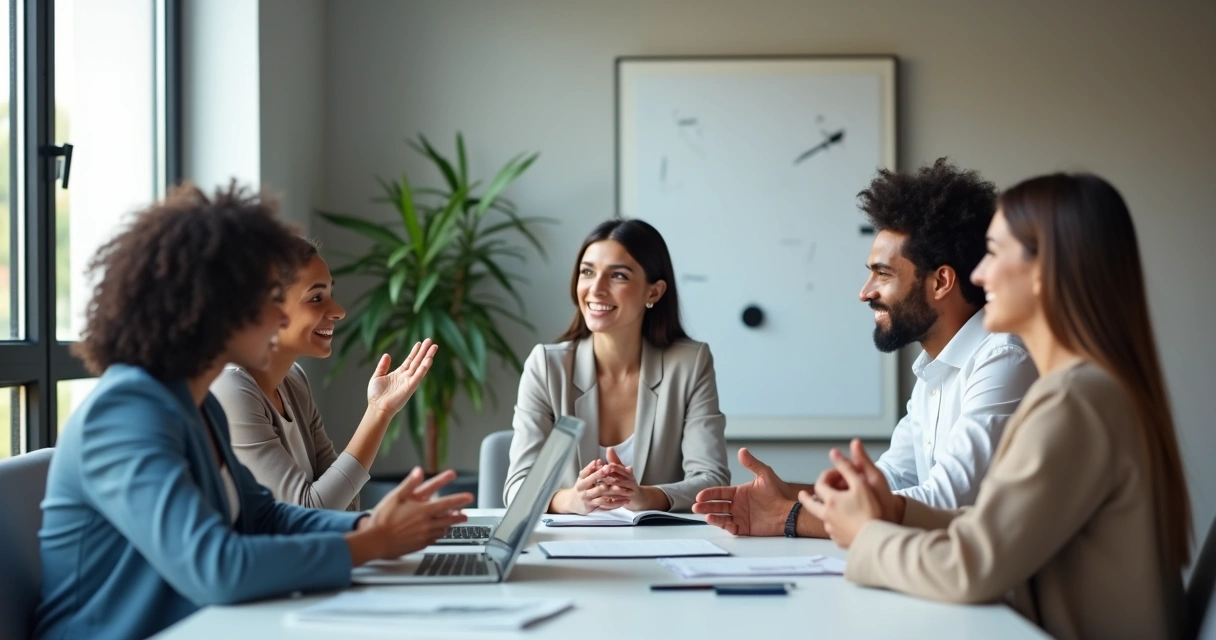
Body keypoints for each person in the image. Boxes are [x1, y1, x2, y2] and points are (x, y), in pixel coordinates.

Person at [35, 183, 472, 640]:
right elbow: (215, 567)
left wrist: (370, 523)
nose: (281, 318)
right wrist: (372, 543)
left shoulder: (196, 406)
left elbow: (265, 517)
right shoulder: (125, 413)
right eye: (267, 299)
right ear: (211, 308)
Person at [803, 173, 1191, 640]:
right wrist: (887, 511)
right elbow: (990, 528)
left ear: (1044, 270)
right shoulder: (1087, 388)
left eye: (993, 253)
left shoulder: (1075, 399)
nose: (979, 275)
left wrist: (866, 537)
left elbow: (971, 565)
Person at [692, 159, 1039, 536]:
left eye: (883, 273)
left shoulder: (1003, 359)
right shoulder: (933, 371)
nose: (865, 292)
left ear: (940, 282)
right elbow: (890, 483)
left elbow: (946, 500)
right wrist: (791, 494)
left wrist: (788, 517)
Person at [505, 218, 729, 513]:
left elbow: (712, 481)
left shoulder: (689, 364)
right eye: (587, 272)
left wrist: (643, 497)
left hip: (654, 548)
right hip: (568, 546)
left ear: (654, 292)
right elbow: (517, 488)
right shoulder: (547, 367)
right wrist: (573, 500)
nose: (596, 289)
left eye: (618, 276)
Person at [212, 237, 437, 510]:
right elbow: (309, 512)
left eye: (330, 294)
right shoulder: (231, 390)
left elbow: (345, 504)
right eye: (317, 298)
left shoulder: (294, 380)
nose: (339, 311)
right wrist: (379, 412)